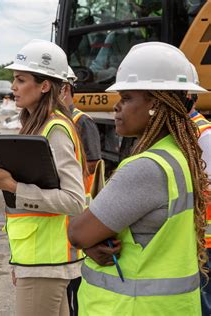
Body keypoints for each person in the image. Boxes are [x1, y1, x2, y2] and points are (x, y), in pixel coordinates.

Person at [68, 42, 209, 315]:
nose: (116, 106)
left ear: (156, 103)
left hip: (132, 307)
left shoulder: (146, 168)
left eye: (127, 97)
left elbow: (78, 233)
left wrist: (90, 241)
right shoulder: (178, 154)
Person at [0, 39, 86, 315]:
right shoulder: (36, 127)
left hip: (46, 262)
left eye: (21, 80)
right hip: (37, 260)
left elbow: (74, 200)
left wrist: (13, 187)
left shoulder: (54, 129)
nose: (13, 87)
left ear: (44, 85)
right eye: (13, 80)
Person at [63, 66, 102, 316]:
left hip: (80, 213)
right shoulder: (54, 122)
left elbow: (92, 166)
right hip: (63, 214)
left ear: (64, 89)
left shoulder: (81, 122)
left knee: (77, 285)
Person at [187, 64, 211, 316]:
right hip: (194, 233)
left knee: (204, 299)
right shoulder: (187, 130)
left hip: (206, 237)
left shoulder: (203, 133)